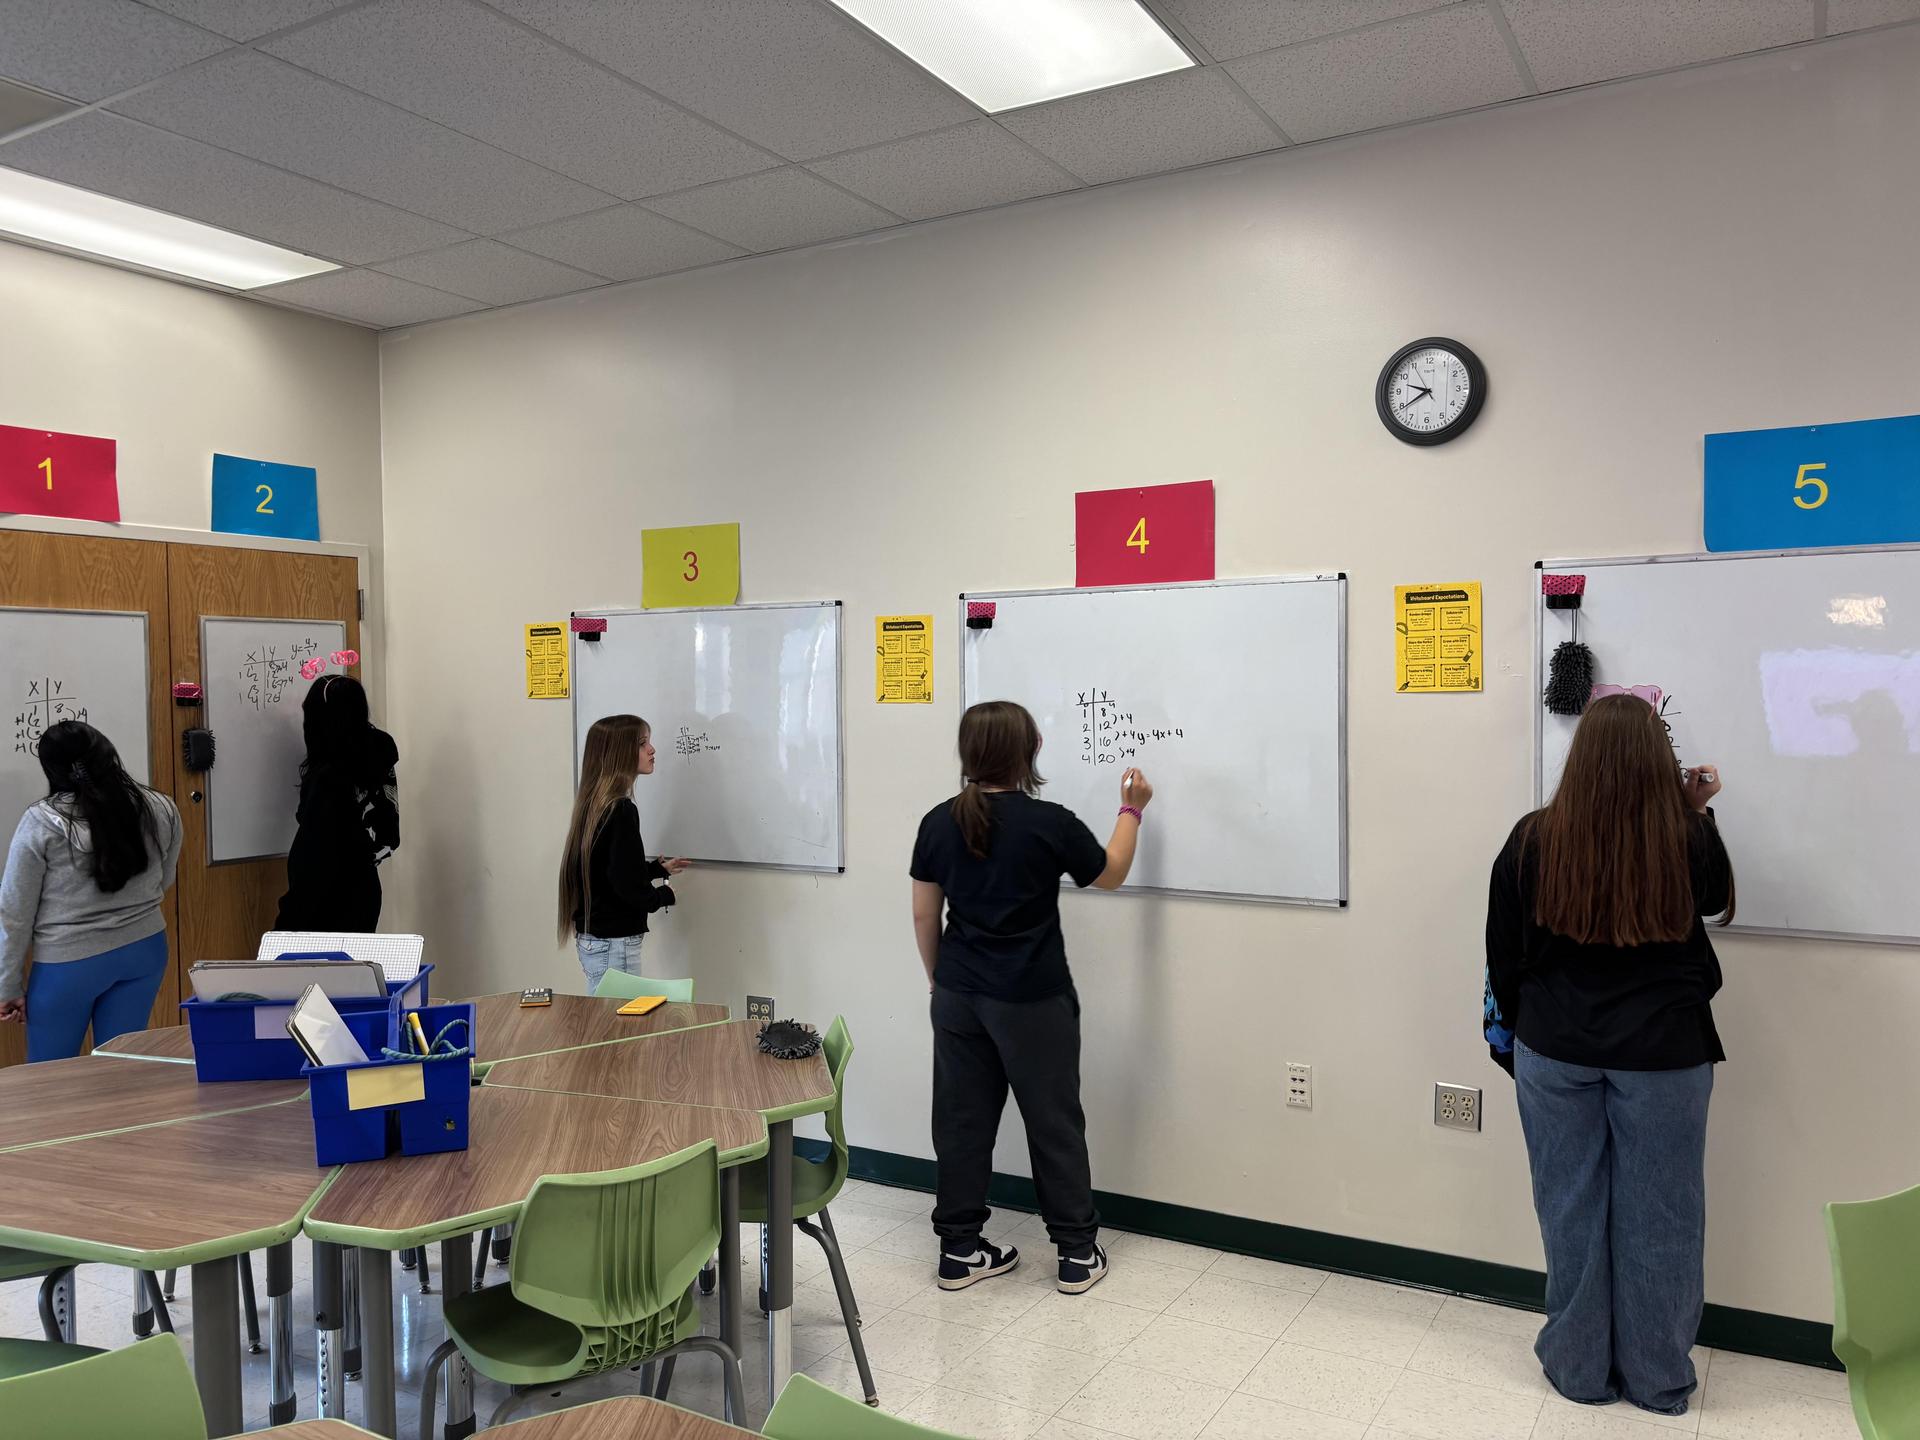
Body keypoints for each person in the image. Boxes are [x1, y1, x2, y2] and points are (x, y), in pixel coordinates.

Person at [1484, 693, 1733, 1418]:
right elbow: (1715, 897)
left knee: (1570, 1208)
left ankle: (1580, 1369)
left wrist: (1520, 1044)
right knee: (1665, 1216)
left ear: (1581, 756)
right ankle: (1658, 1380)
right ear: (1662, 760)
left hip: (1555, 1050)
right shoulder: (1683, 839)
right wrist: (1697, 808)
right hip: (1665, 1054)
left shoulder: (1532, 839)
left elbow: (1504, 957)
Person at [909, 700, 1152, 1296]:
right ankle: (1075, 1255)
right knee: (1052, 1121)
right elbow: (1113, 871)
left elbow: (924, 912)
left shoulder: (939, 821)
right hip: (1032, 999)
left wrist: (942, 979)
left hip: (960, 995)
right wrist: (1131, 809)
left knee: (961, 1123)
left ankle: (960, 1252)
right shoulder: (1048, 823)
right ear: (1033, 747)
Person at [0, 721, 182, 1061]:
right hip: (145, 950)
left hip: (69, 963)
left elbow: (15, 911)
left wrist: (7, 985)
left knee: (49, 1076)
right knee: (122, 1066)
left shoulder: (42, 821)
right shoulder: (160, 806)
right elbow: (164, 878)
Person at [557, 714, 689, 991]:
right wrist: (663, 896)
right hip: (614, 941)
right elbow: (626, 885)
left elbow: (609, 869)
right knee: (621, 1024)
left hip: (597, 938)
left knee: (608, 1020)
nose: (651, 750)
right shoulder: (621, 809)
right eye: (642, 744)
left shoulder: (593, 805)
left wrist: (655, 870)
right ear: (619, 754)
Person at [275, 675, 399, 933]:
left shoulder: (329, 779)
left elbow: (316, 860)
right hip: (364, 888)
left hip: (325, 902)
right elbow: (387, 835)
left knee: (315, 973)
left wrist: (286, 924)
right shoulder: (376, 753)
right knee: (353, 971)